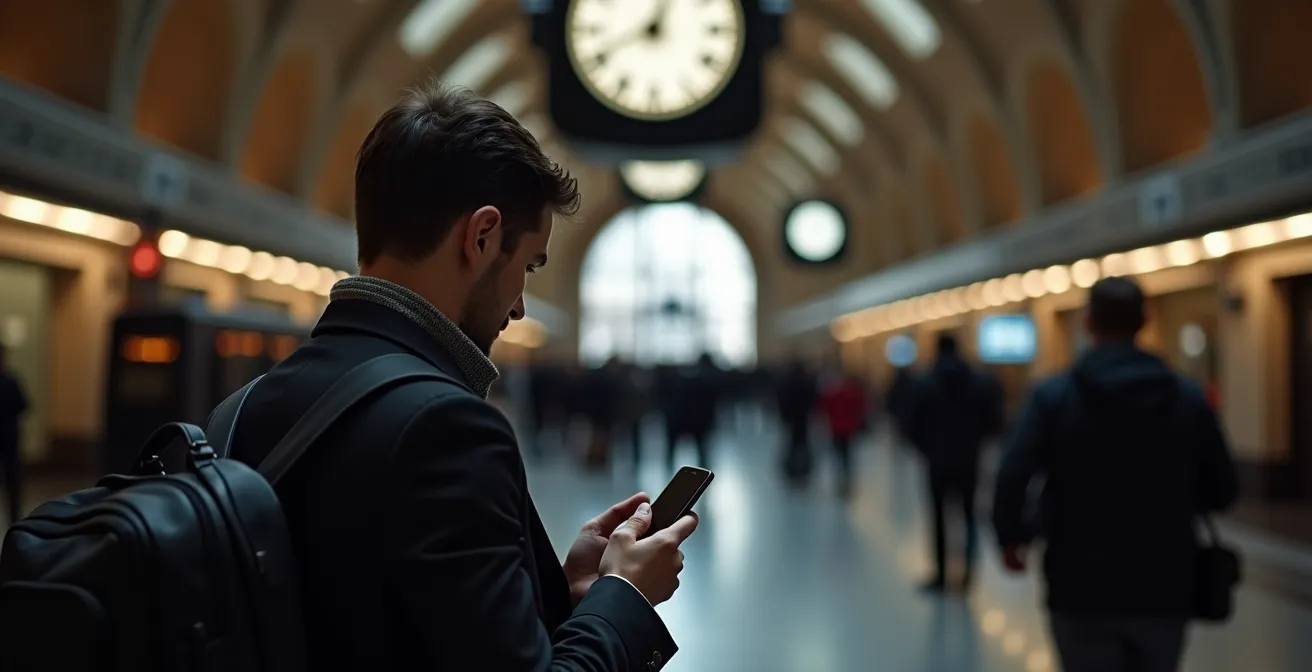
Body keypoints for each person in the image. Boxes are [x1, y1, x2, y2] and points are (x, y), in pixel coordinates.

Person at [220, 82, 697, 671]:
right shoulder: (447, 428)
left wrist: (562, 589)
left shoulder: (242, 407)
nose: (520, 306)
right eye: (527, 264)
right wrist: (623, 597)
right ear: (481, 236)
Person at [992, 277, 1238, 672]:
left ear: (1088, 323)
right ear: (1144, 320)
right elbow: (1223, 490)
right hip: (1165, 582)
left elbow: (1013, 472)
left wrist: (1011, 536)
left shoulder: (1054, 397)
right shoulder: (1186, 397)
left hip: (1079, 584)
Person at [906, 333, 1001, 593]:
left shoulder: (924, 383)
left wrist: (927, 449)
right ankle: (968, 574)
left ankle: (940, 574)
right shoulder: (980, 382)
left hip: (936, 461)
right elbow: (993, 422)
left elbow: (911, 425)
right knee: (969, 516)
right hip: (969, 459)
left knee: (938, 517)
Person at [819, 370, 868, 497]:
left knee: (838, 455)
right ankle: (847, 479)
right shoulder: (854, 393)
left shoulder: (832, 392)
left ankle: (840, 480)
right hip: (849, 428)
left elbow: (825, 409)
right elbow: (860, 409)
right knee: (847, 455)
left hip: (836, 428)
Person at [0, 345, 29, 524]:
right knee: (13, 483)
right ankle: (14, 517)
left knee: (12, 483)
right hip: (9, 437)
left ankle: (14, 517)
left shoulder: (11, 381)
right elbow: (23, 406)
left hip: (9, 439)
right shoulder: (11, 381)